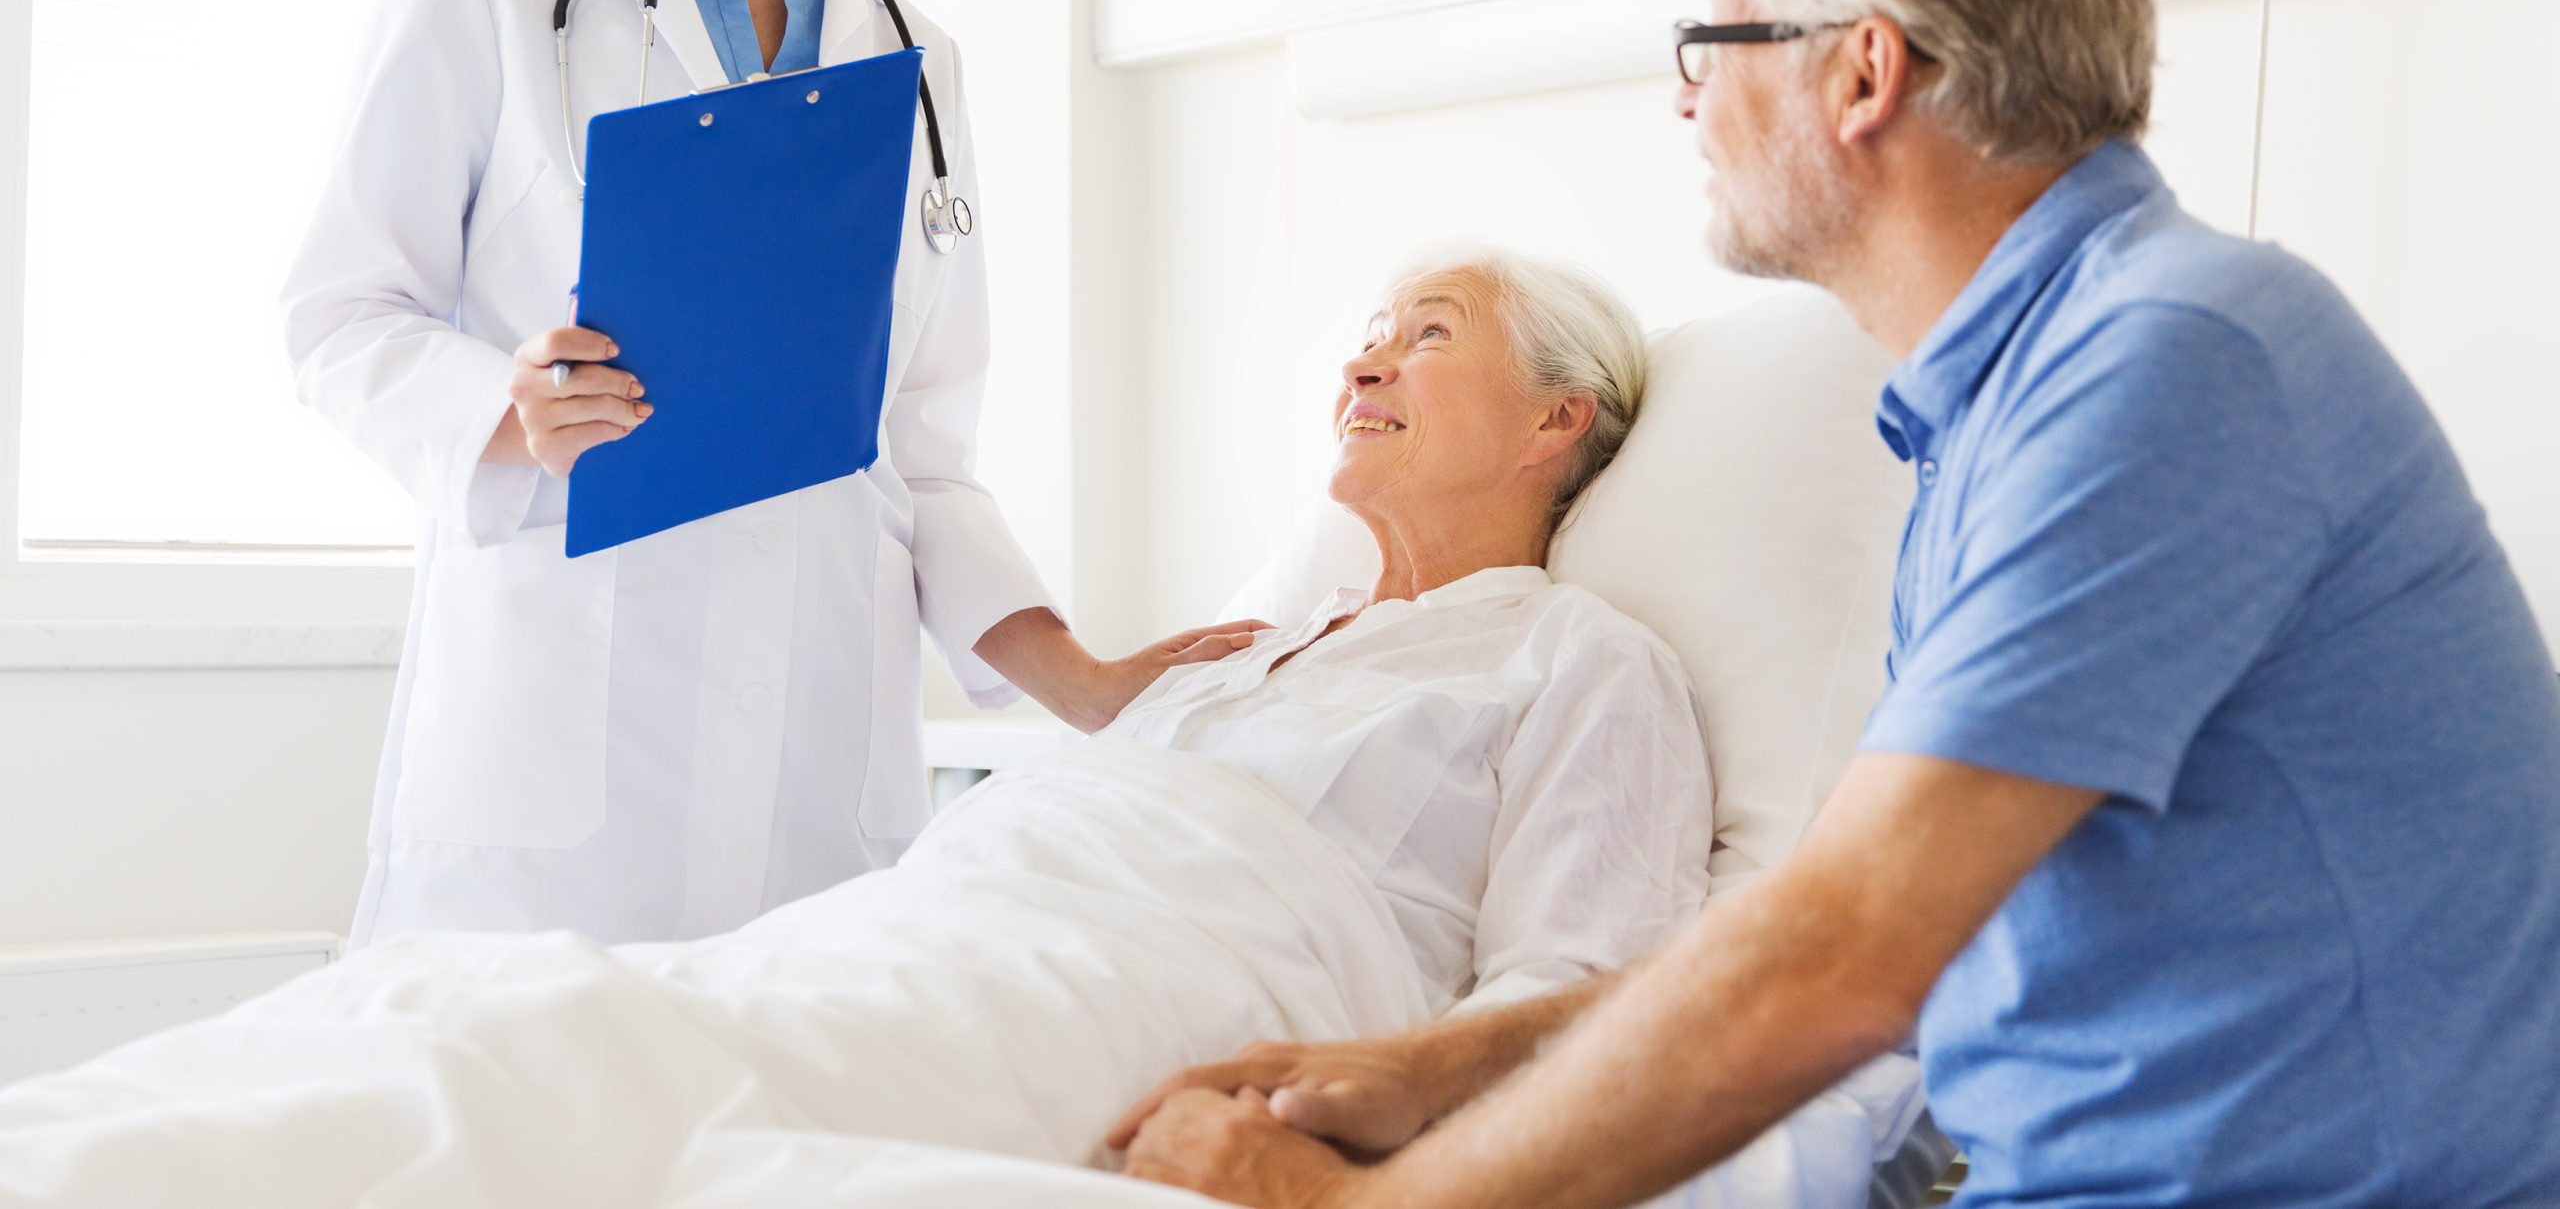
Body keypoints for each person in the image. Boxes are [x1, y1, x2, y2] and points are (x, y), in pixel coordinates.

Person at [1116, 0, 2560, 1209]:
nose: (1686, 93)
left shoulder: (2171, 361)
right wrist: (1446, 1068)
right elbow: (1894, 935)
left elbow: (1848, 953)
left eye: (1716, 42)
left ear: (1864, 76)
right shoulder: (1998, 417)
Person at [0, 254, 1743, 1209]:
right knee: (499, 1012)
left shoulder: (1581, 661)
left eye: (1422, 338)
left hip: (1183, 980)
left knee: (578, 1083)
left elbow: (1579, 995)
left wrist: (1369, 1121)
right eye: (1359, 330)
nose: (1362, 361)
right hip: (958, 905)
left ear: (1555, 423)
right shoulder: (1244, 655)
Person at [280, 0, 1256, 949]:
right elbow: (340, 315)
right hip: (556, 773)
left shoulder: (916, 63)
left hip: (815, 787)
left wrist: (1085, 683)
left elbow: (920, 445)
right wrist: (504, 403)